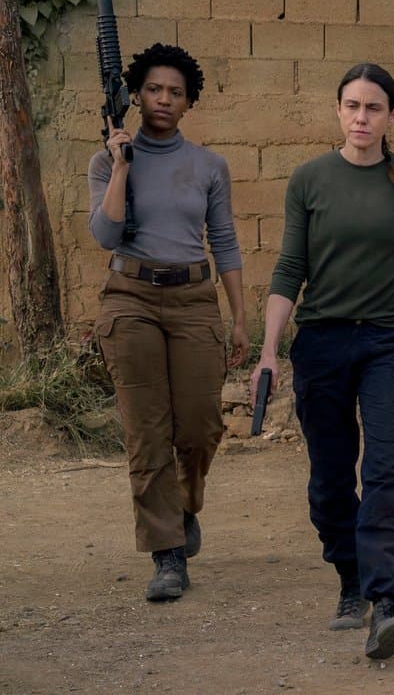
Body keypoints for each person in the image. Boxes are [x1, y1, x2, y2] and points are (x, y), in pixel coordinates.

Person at [250, 63, 394, 661]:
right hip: (322, 344)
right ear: (337, 110)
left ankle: (386, 603)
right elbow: (289, 269)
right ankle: (350, 578)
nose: (362, 118)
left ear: (391, 116)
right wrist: (269, 351)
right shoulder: (309, 180)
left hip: (389, 345)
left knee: (386, 471)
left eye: (373, 107)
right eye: (352, 106)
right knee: (331, 480)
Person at [89, 43, 248, 603]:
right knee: (146, 430)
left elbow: (224, 240)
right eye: (154, 89)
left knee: (200, 425)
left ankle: (184, 505)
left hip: (193, 299)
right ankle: (168, 556)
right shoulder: (108, 161)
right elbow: (105, 235)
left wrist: (239, 317)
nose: (163, 99)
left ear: (188, 102)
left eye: (175, 92)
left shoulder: (208, 166)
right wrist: (122, 165)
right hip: (129, 298)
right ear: (135, 95)